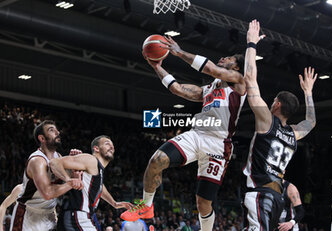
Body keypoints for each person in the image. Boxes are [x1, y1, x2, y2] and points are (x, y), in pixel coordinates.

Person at [121, 34, 247, 231]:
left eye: (229, 58)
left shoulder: (239, 81)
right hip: (196, 135)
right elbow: (178, 89)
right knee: (157, 160)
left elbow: (210, 68)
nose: (223, 58)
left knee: (203, 203)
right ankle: (146, 206)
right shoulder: (209, 88)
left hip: (218, 144)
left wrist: (179, 53)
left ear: (237, 66)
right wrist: (157, 67)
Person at [242, 19, 317, 231]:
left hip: (260, 194)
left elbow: (249, 78)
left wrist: (251, 43)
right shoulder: (293, 134)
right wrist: (308, 93)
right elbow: (310, 122)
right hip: (277, 198)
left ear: (276, 104)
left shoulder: (267, 121)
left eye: (274, 99)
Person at [10, 120, 83, 231]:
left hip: (49, 214)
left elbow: (70, 182)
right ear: (42, 138)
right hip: (28, 215)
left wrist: (75, 166)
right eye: (51, 130)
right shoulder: (37, 161)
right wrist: (71, 183)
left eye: (56, 130)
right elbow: (48, 193)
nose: (57, 132)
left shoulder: (58, 157)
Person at [50, 135, 133, 230]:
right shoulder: (91, 160)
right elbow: (54, 162)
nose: (111, 147)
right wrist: (68, 180)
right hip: (77, 215)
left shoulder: (98, 169)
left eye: (112, 145)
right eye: (107, 144)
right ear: (96, 148)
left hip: (81, 216)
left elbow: (99, 187)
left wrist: (114, 203)